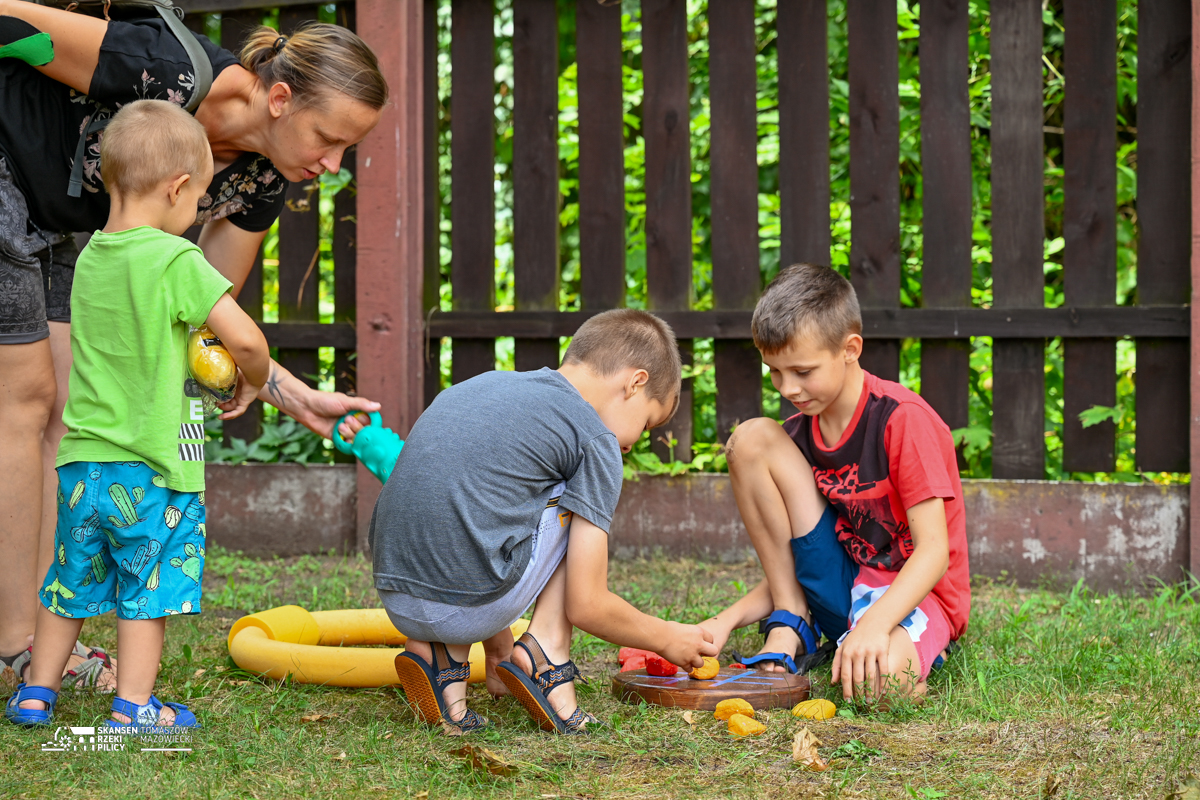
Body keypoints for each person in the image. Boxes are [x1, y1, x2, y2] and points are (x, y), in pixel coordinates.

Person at [0, 3, 386, 691]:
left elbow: (203, 317)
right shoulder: (170, 69)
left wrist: (297, 399)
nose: (332, 165)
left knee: (65, 411)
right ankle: (13, 645)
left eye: (345, 151)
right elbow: (15, 25)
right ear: (279, 98)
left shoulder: (261, 179)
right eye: (328, 139)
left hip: (63, 225)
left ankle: (35, 643)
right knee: (24, 399)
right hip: (6, 164)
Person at [5, 100, 270, 728]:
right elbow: (246, 340)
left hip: (81, 466)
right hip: (154, 470)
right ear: (178, 188)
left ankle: (36, 694)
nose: (195, 211)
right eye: (199, 198)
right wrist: (255, 380)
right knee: (146, 591)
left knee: (67, 583)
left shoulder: (92, 255)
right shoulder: (177, 261)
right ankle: (133, 706)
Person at [368, 310, 718, 734]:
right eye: (646, 423)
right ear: (635, 383)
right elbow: (587, 605)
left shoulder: (481, 386)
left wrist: (496, 641)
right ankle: (546, 654)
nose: (632, 444)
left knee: (513, 491)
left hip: (395, 593)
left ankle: (443, 663)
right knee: (579, 491)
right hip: (467, 604)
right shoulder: (594, 437)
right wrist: (666, 637)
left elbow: (471, 510)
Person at [698, 264, 970, 702]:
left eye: (803, 371)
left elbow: (934, 551)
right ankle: (792, 619)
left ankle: (905, 651)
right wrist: (724, 621)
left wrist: (875, 624)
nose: (788, 388)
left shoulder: (902, 420)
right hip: (844, 589)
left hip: (915, 596)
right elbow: (804, 558)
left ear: (850, 349)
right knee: (750, 439)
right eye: (775, 371)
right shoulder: (798, 434)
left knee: (876, 688)